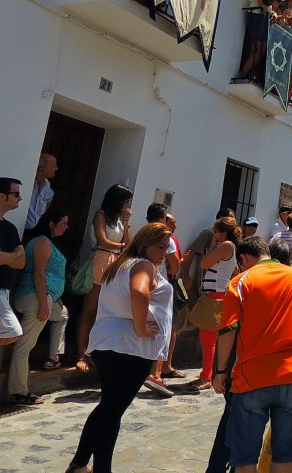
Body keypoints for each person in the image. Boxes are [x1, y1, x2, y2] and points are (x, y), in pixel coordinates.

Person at [67, 223, 174, 473]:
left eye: (166, 248)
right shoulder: (143, 265)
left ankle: (79, 464)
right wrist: (140, 328)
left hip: (108, 343)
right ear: (145, 243)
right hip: (130, 347)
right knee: (112, 411)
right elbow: (139, 291)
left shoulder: (121, 265)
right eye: (160, 247)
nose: (164, 252)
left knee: (108, 406)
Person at [212, 236, 292, 473]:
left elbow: (228, 329)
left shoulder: (241, 281)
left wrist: (220, 372)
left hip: (251, 378)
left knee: (245, 459)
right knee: (285, 457)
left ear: (245, 258)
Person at [8, 210, 69, 403]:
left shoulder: (51, 243)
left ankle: (54, 357)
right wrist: (44, 303)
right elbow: (39, 274)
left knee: (62, 315)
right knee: (25, 346)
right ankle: (18, 392)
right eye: (64, 222)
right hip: (35, 297)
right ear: (51, 223)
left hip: (47, 298)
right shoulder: (42, 242)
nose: (66, 227)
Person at [75, 184, 133, 373]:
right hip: (101, 258)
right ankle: (81, 353)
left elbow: (128, 243)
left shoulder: (118, 220)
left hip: (115, 262)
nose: (128, 205)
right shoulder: (101, 215)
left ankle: (95, 351)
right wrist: (122, 244)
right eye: (125, 201)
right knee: (90, 309)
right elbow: (103, 241)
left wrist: (125, 222)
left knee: (104, 311)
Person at [192, 216, 240, 391]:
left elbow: (204, 263)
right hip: (218, 293)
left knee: (208, 338)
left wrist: (213, 245)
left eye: (217, 232)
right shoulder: (232, 248)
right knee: (210, 338)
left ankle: (206, 376)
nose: (215, 235)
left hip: (215, 294)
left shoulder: (225, 246)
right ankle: (207, 374)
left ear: (222, 232)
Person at [142, 203, 184, 396]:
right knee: (163, 328)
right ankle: (156, 374)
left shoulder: (141, 233)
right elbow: (174, 266)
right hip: (159, 284)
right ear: (162, 219)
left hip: (142, 281)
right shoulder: (166, 237)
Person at [232, 0, 282, 84]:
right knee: (257, 48)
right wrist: (261, 4)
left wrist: (271, 12)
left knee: (261, 48)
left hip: (261, 16)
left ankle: (246, 74)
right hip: (256, 14)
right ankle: (242, 75)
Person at [0, 177, 25, 350]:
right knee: (13, 332)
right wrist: (14, 254)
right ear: (2, 196)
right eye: (16, 194)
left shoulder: (11, 229)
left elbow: (21, 262)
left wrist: (6, 256)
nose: (20, 198)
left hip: (3, 292)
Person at [23, 154, 58, 239]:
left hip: (31, 233)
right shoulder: (27, 182)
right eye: (54, 166)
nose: (56, 168)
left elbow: (50, 197)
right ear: (42, 169)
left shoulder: (46, 185)